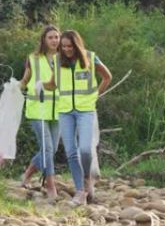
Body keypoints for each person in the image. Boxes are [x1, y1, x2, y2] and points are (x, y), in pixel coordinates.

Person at [47, 30, 112, 206]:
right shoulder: (57, 61)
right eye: (64, 46)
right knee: (71, 152)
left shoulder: (90, 57)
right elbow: (53, 84)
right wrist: (40, 86)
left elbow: (107, 77)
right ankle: (80, 192)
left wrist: (96, 96)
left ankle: (86, 177)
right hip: (65, 111)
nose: (66, 50)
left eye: (69, 46)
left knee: (85, 149)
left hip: (85, 110)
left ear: (77, 45)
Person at [20, 25, 61, 199]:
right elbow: (25, 81)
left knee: (52, 149)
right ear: (44, 40)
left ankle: (27, 174)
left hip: (59, 110)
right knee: (48, 148)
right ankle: (51, 186)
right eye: (51, 37)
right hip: (38, 110)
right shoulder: (34, 58)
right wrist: (15, 89)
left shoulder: (64, 59)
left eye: (57, 37)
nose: (54, 40)